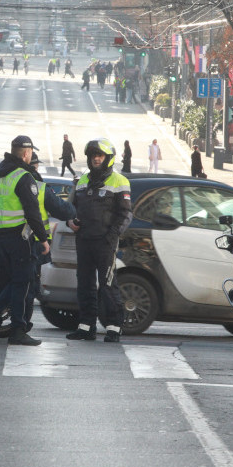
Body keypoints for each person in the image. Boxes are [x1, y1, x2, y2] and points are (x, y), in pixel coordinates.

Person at [0, 135, 51, 346]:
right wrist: (43, 239)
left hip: (1, 237)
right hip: (20, 238)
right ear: (27, 153)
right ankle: (17, 329)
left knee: (7, 281)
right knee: (23, 283)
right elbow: (33, 212)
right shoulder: (23, 176)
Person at [66, 139, 133, 343]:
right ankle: (86, 327)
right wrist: (70, 221)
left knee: (107, 284)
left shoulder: (119, 181)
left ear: (107, 159)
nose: (96, 158)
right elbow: (71, 208)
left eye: (100, 155)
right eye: (93, 155)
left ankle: (114, 328)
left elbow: (126, 214)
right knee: (84, 284)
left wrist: (112, 236)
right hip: (84, 240)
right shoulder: (82, 180)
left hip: (105, 241)